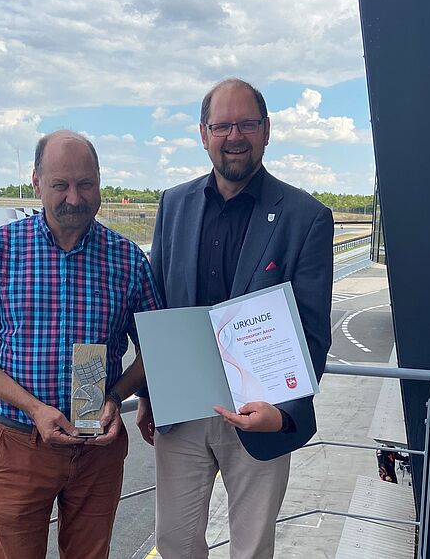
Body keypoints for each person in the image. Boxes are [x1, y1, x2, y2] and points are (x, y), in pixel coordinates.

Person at [0, 130, 161, 559]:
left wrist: (117, 395)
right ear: (37, 182)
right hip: (20, 444)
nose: (74, 198)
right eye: (60, 185)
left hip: (98, 447)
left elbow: (156, 348)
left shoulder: (128, 258)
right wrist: (35, 410)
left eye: (85, 184)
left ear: (100, 182)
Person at [136, 78, 333, 558]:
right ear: (203, 134)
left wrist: (281, 412)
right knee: (175, 544)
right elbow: (158, 306)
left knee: (250, 550)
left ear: (266, 130)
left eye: (246, 123)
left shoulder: (305, 217)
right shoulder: (173, 204)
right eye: (221, 125)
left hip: (260, 411)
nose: (234, 135)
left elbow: (311, 332)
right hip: (183, 408)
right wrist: (149, 391)